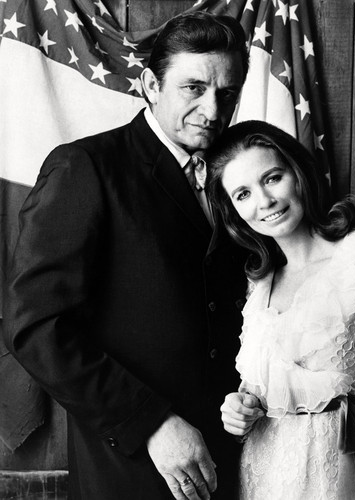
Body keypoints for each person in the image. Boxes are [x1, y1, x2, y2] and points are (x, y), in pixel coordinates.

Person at [3, 12, 251, 500]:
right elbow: (34, 326)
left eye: (227, 93)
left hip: (236, 455)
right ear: (151, 86)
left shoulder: (243, 172)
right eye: (194, 88)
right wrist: (150, 423)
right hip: (132, 462)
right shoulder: (85, 167)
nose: (212, 109)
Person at [205, 120, 355, 499]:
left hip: (339, 482)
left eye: (272, 178)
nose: (264, 201)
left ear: (298, 173)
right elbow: (266, 390)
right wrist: (239, 407)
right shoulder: (258, 285)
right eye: (243, 194)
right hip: (260, 481)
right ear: (233, 211)